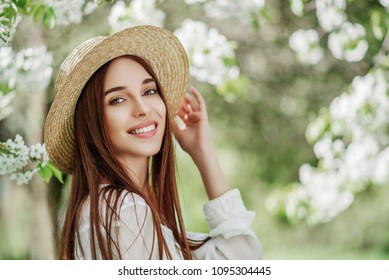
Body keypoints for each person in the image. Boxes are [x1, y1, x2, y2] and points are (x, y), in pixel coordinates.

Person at [44, 25, 262, 260]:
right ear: (91, 121)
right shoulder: (123, 211)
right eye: (117, 99)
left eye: (149, 91)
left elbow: (240, 259)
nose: (143, 109)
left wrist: (203, 151)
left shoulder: (127, 213)